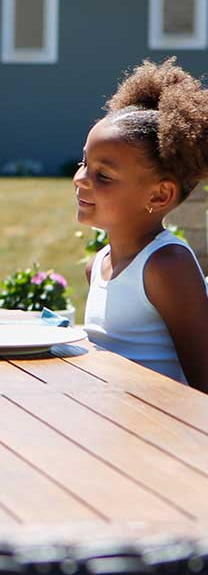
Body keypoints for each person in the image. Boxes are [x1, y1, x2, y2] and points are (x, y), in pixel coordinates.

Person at [75, 58, 208, 391]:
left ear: (160, 196)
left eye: (102, 175)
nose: (80, 179)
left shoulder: (166, 266)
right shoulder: (99, 265)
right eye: (83, 163)